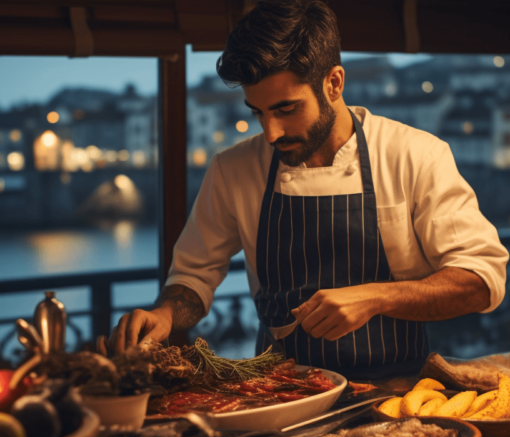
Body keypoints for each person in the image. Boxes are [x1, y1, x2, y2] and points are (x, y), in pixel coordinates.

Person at [105, 0, 508, 379]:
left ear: (334, 82)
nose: (270, 132)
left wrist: (376, 297)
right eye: (258, 112)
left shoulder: (415, 155)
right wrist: (165, 314)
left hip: (398, 390)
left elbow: (481, 278)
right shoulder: (233, 169)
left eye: (285, 109)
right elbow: (193, 276)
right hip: (279, 392)